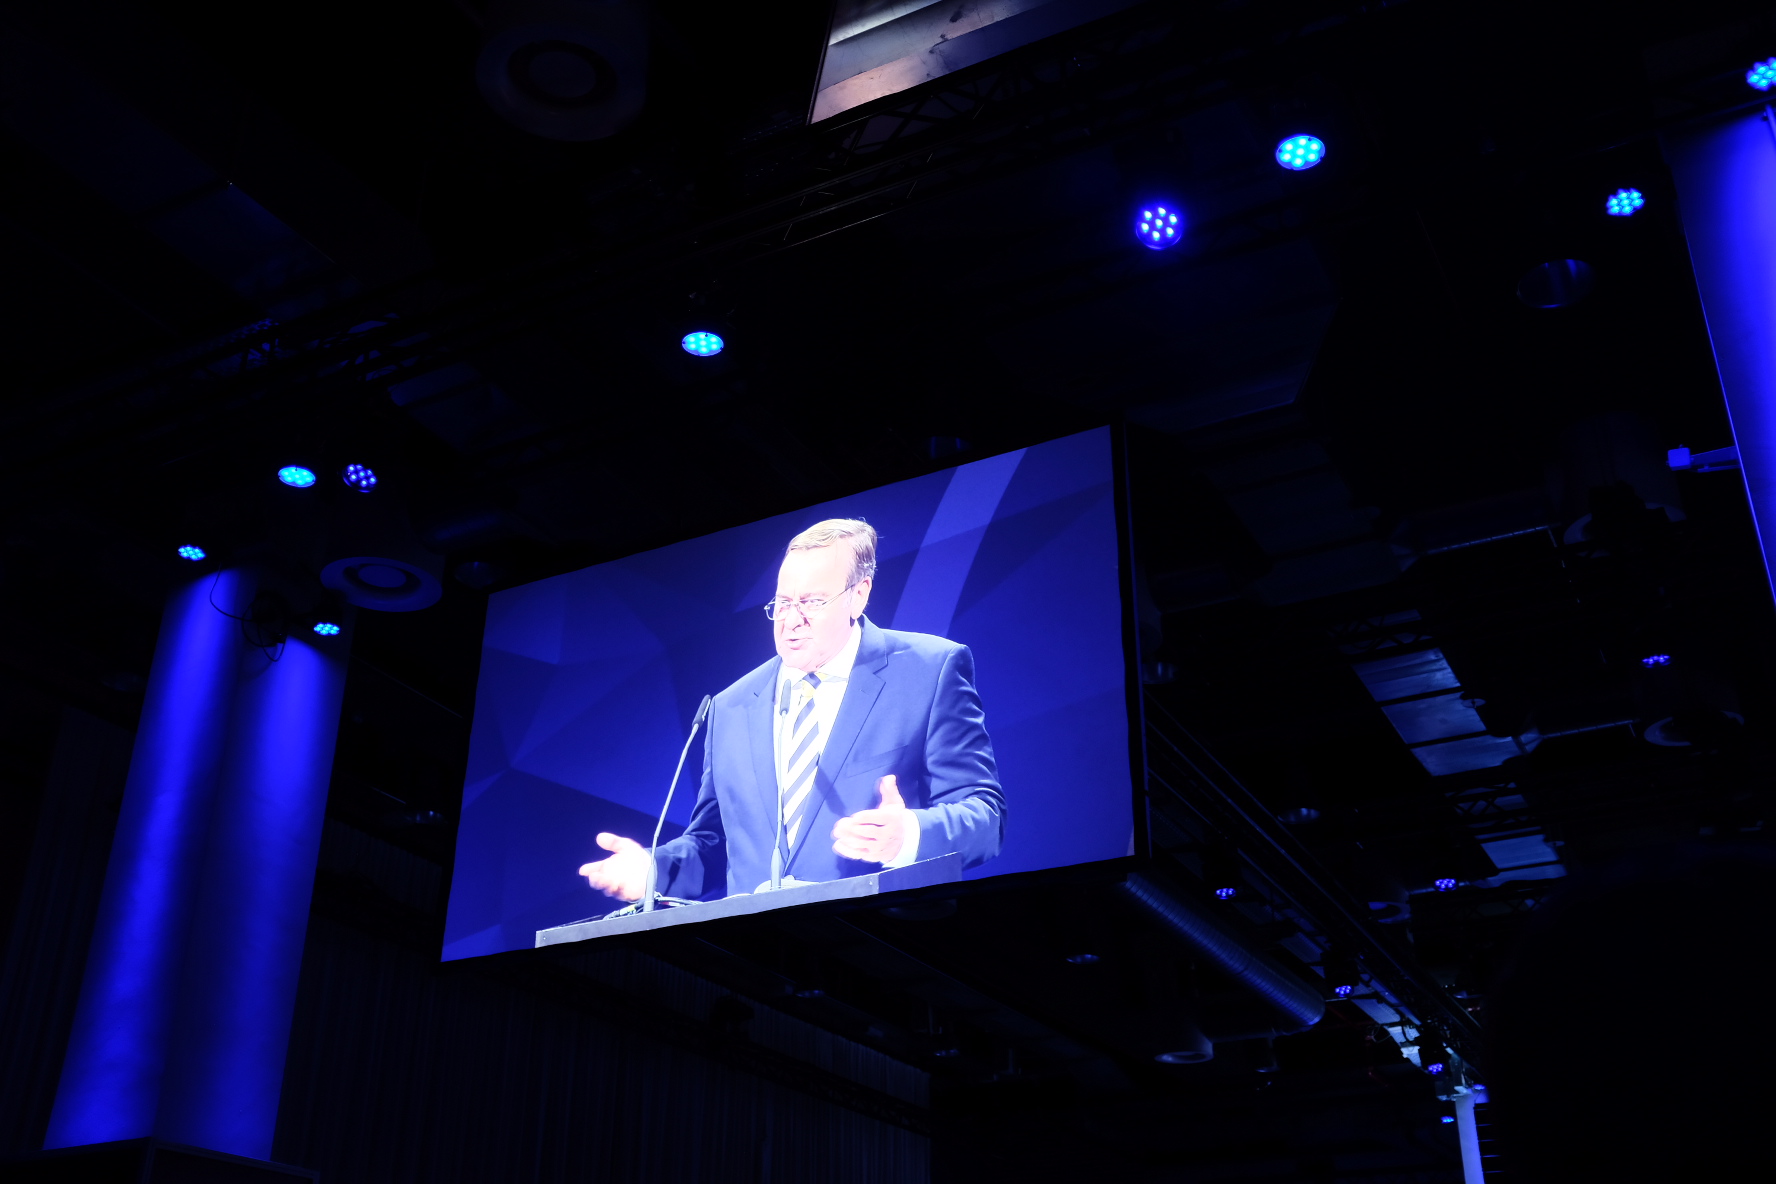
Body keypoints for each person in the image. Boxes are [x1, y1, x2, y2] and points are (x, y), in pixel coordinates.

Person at [578, 518, 1004, 901]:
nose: (791, 620)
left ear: (859, 596)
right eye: (783, 602)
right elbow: (715, 844)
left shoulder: (929, 670)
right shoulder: (730, 706)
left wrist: (909, 835)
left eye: (812, 602)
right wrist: (654, 870)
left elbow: (985, 816)